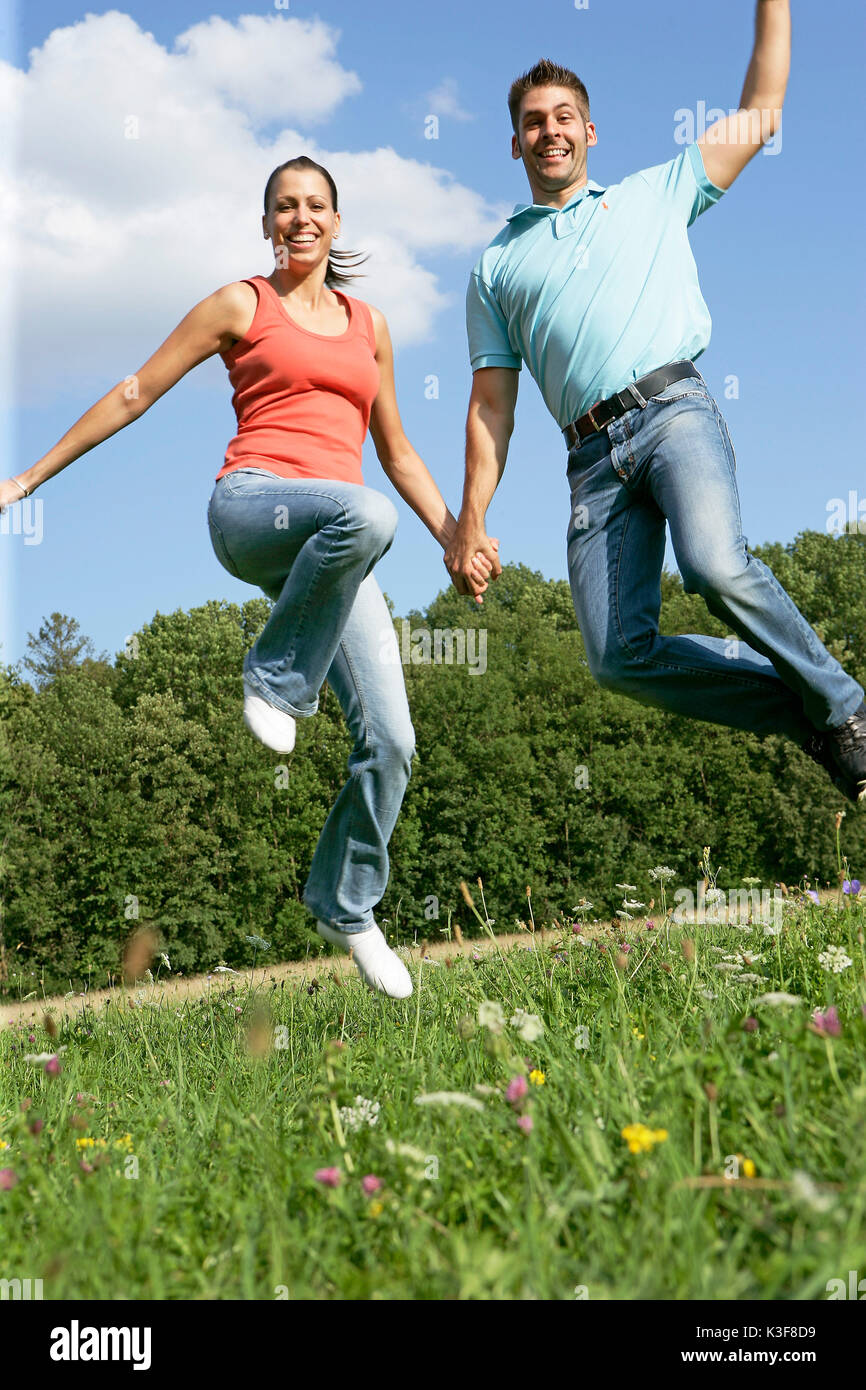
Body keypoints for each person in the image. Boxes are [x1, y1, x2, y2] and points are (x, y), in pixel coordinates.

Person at [1, 154, 493, 998]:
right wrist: (26, 479)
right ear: (267, 223)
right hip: (253, 509)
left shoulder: (369, 325)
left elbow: (396, 452)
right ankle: (273, 678)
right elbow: (133, 392)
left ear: (338, 223)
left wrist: (455, 536)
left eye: (316, 207)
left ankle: (347, 904)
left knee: (394, 742)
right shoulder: (242, 304)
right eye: (284, 207)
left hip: (335, 551)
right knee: (363, 515)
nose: (301, 219)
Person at [445, 2, 866, 805]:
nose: (550, 131)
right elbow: (490, 408)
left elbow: (761, 110)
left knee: (712, 564)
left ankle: (846, 708)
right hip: (590, 467)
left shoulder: (655, 193)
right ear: (514, 142)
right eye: (534, 122)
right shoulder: (494, 266)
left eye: (565, 117)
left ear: (591, 132)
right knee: (617, 658)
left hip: (672, 413)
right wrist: (471, 520)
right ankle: (805, 714)